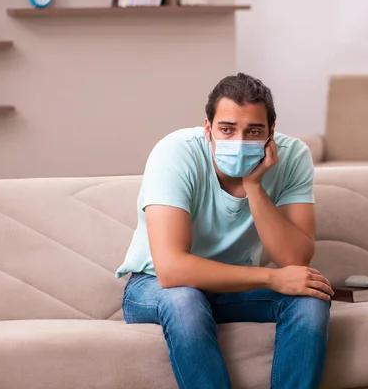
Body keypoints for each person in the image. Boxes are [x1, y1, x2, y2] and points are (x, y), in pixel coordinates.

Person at [115, 73, 333, 389]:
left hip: (234, 287)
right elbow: (171, 270)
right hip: (153, 287)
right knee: (185, 300)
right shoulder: (175, 153)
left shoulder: (293, 155)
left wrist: (254, 186)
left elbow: (294, 258)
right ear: (208, 129)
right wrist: (272, 278)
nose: (239, 142)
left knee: (311, 298)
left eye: (253, 131)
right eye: (227, 130)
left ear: (271, 133)